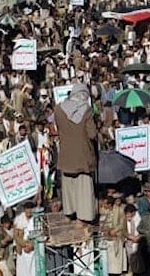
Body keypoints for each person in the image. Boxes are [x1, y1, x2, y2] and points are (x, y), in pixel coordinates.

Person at [54, 83, 97, 223]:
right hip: (82, 155)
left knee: (68, 186)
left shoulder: (58, 109)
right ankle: (83, 217)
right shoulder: (87, 110)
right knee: (83, 186)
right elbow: (92, 134)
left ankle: (69, 213)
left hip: (65, 154)